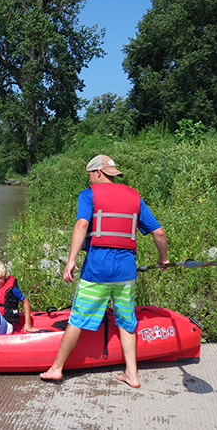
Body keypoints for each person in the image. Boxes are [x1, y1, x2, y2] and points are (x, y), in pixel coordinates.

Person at [40, 155, 169, 388]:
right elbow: (158, 233)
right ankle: (132, 374)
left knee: (77, 318)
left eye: (90, 175)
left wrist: (71, 261)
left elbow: (82, 224)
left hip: (97, 270)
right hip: (126, 271)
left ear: (98, 172)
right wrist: (163, 258)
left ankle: (56, 368)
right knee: (127, 321)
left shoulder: (89, 194)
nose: (89, 180)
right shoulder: (135, 196)